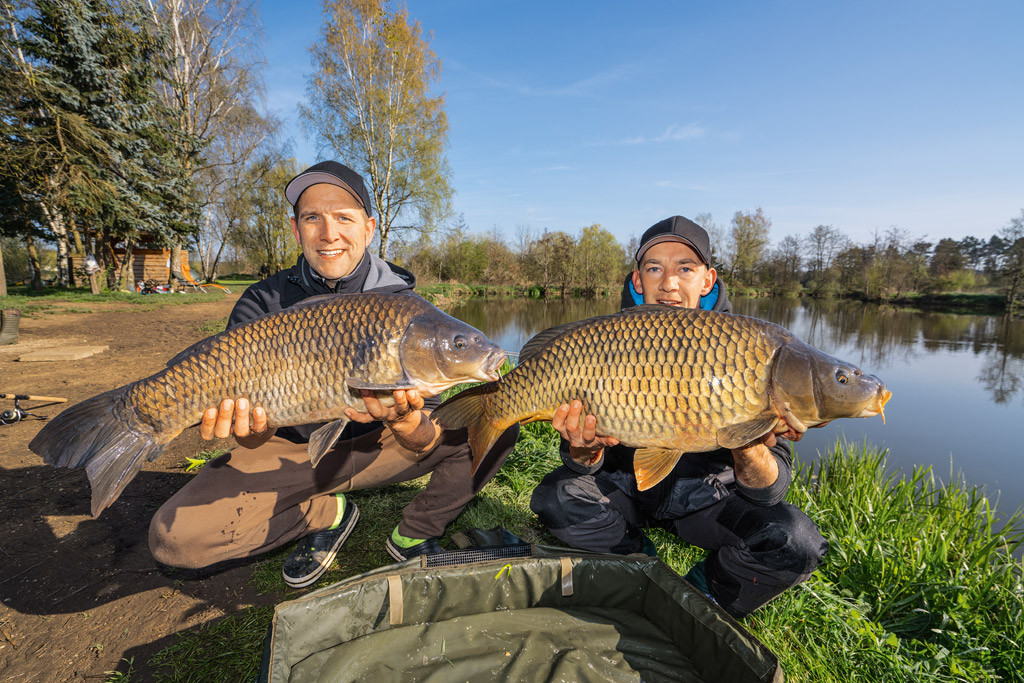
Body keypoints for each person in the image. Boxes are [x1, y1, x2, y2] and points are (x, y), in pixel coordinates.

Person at [148, 161, 518, 588]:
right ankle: (328, 512)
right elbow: (250, 438)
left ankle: (414, 534)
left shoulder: (405, 309)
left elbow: (424, 438)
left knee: (498, 419)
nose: (329, 234)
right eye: (313, 218)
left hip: (381, 447)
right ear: (296, 229)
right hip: (292, 451)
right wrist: (246, 428)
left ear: (369, 228)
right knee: (175, 541)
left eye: (344, 217)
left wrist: (401, 418)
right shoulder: (262, 302)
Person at [529, 215, 828, 619]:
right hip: (628, 489)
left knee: (797, 541)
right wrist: (583, 449)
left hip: (708, 502)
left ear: (707, 280)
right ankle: (638, 566)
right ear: (638, 281)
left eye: (685, 268)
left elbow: (768, 493)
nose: (668, 283)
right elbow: (578, 462)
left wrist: (748, 445)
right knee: (556, 498)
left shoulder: (757, 350)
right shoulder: (605, 341)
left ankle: (700, 595)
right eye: (655, 268)